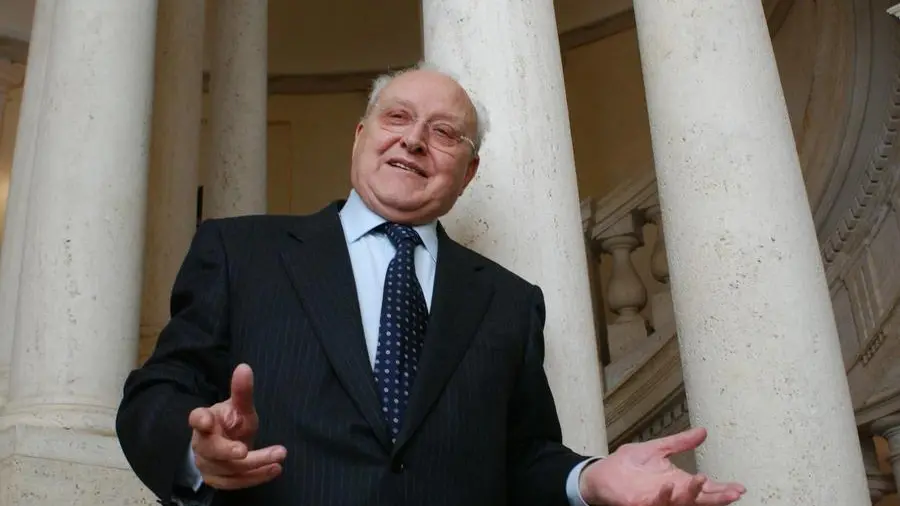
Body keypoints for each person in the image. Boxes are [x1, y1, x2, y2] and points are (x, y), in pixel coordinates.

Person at [116, 62, 746, 506]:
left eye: (444, 133)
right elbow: (157, 391)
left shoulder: (509, 302)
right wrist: (195, 451)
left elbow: (522, 456)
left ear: (468, 172)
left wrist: (589, 479)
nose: (414, 140)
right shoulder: (241, 252)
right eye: (397, 117)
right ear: (360, 137)